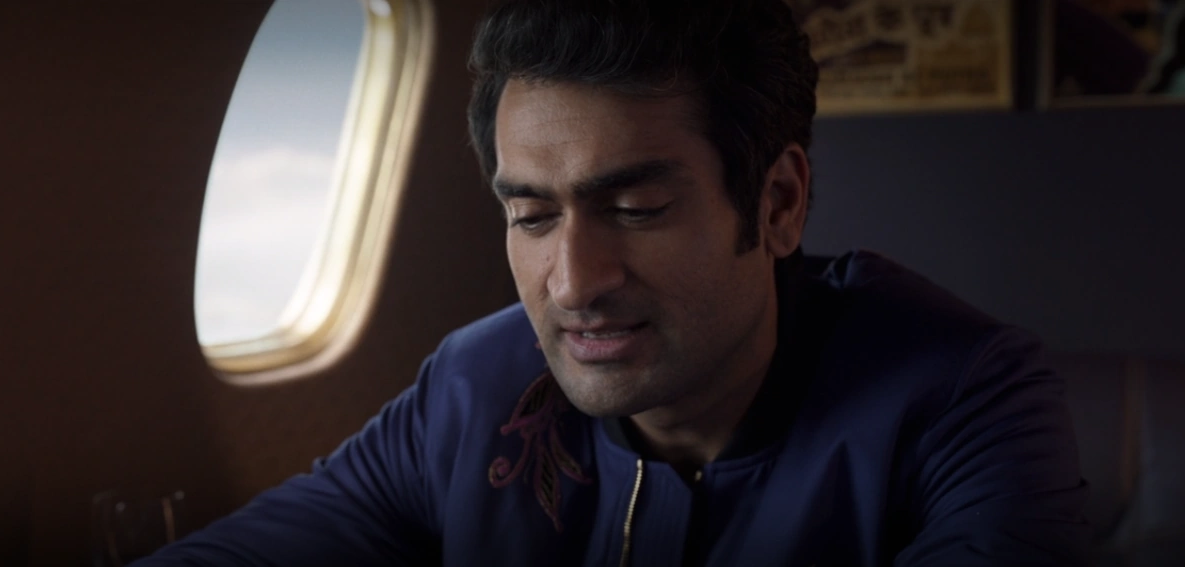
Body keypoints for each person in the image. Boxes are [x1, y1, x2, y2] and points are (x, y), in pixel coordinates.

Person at [137, 0, 1090, 564]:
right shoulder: (470, 387)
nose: (572, 282)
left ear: (779, 202)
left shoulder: (967, 399)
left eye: (634, 209)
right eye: (531, 216)